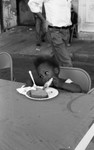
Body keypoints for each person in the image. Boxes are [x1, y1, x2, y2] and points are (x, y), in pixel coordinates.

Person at [28, 0, 73, 67]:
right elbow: (32, 3)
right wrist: (43, 20)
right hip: (54, 31)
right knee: (66, 62)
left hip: (65, 31)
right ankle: (70, 76)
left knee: (57, 58)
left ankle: (47, 72)